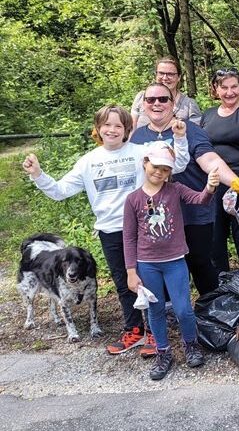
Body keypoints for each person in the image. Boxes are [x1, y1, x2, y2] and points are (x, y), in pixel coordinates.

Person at [22, 105, 189, 356]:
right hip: (110, 230)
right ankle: (134, 330)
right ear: (98, 129)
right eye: (106, 125)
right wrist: (38, 174)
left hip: (144, 228)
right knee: (124, 283)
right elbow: (59, 191)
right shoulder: (88, 161)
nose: (112, 130)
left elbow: (180, 163)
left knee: (150, 282)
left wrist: (179, 137)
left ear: (127, 130)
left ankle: (156, 332)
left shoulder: (141, 153)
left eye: (118, 126)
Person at [130, 82, 239, 293]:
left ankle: (212, 310)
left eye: (163, 99)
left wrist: (236, 182)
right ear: (144, 105)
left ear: (173, 104)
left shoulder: (190, 130)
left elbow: (208, 159)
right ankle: (173, 314)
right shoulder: (137, 137)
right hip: (157, 218)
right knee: (165, 269)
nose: (157, 104)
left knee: (201, 265)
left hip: (194, 213)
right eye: (151, 99)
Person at [123, 143, 218, 380]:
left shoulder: (175, 190)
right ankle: (163, 352)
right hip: (147, 263)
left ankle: (191, 344)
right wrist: (131, 271)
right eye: (156, 167)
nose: (159, 173)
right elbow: (129, 237)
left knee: (183, 309)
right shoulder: (133, 199)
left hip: (175, 260)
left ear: (170, 173)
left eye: (165, 169)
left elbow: (200, 200)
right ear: (145, 163)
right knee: (155, 310)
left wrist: (210, 187)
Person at [200, 68, 239, 271]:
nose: (230, 92)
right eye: (224, 87)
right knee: (215, 239)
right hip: (216, 186)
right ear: (215, 89)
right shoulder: (208, 115)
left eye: (234, 87)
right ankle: (222, 287)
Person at [131, 56, 202, 129]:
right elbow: (131, 130)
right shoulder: (141, 97)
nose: (165, 78)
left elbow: (196, 136)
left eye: (170, 74)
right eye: (161, 73)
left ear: (179, 77)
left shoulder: (189, 105)